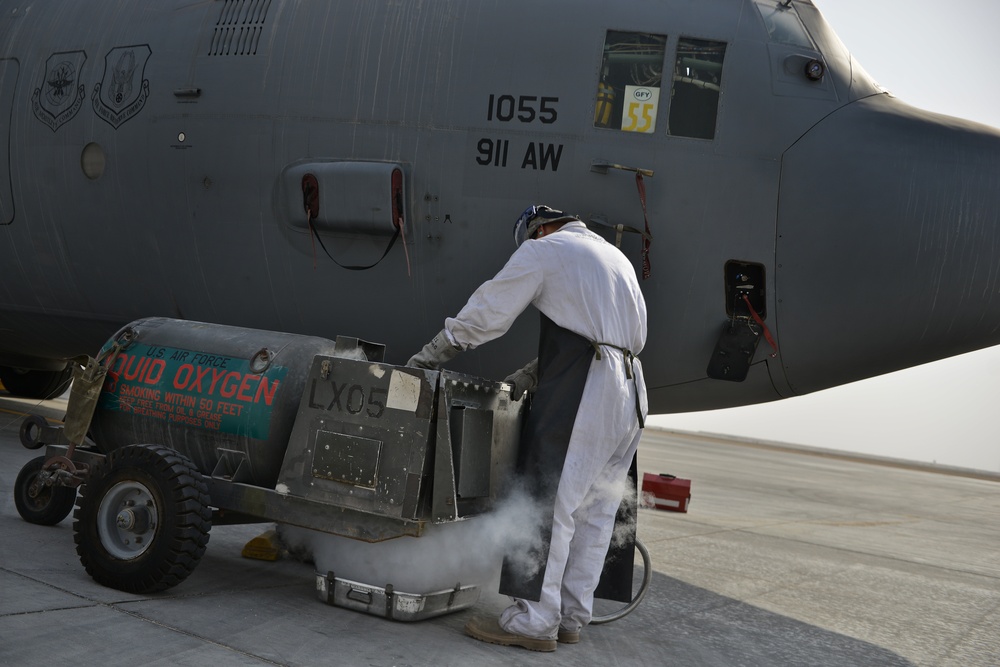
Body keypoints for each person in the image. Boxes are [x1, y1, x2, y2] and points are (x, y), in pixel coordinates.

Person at [407, 204, 648, 652]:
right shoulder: (616, 260)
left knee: (548, 502)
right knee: (594, 513)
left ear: (537, 230)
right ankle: (572, 617)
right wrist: (533, 373)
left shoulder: (545, 250)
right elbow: (604, 336)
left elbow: (488, 313)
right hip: (631, 394)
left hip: (589, 391)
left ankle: (533, 622)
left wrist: (430, 356)